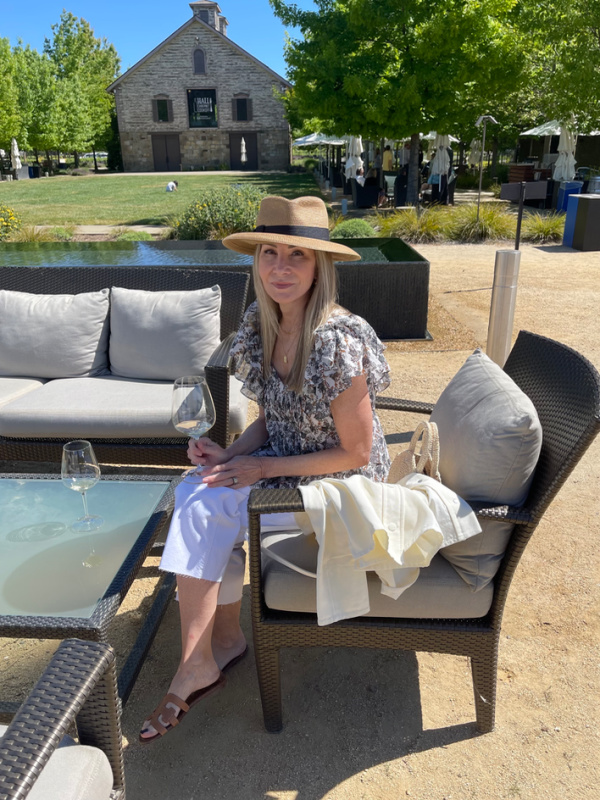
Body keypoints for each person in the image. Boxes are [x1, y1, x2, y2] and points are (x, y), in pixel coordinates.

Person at [139, 195, 392, 743]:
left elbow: (357, 452)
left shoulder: (334, 340)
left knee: (206, 502)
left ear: (319, 264)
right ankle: (213, 648)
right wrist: (230, 455)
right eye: (269, 252)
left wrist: (257, 467)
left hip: (339, 481)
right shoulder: (262, 320)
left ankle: (203, 658)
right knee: (199, 488)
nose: (280, 267)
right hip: (282, 463)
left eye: (296, 256)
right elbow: (270, 418)